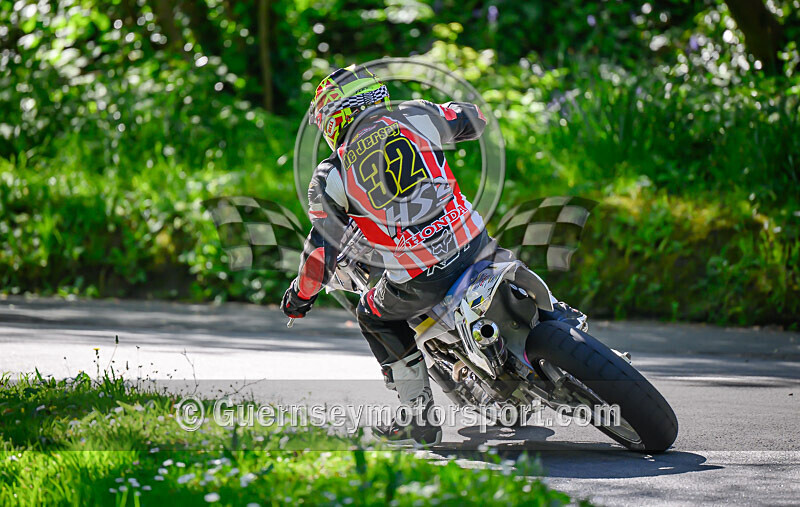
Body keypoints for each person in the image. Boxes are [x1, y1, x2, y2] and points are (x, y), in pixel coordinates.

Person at [282, 64, 585, 447]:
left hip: (420, 277)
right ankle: (558, 315)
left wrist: (299, 297)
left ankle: (418, 417)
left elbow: (321, 253)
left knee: (371, 315)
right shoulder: (413, 115)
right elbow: (474, 119)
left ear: (335, 118)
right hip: (472, 241)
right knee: (504, 261)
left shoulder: (332, 174)